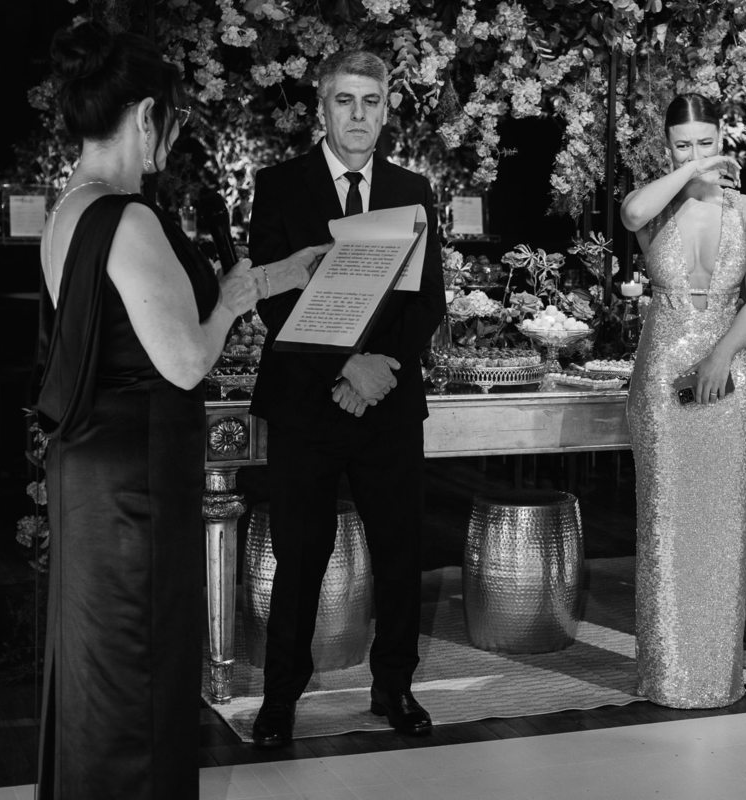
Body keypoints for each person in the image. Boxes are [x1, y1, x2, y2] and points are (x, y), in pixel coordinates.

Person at [35, 21, 325, 798]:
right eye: (171, 119)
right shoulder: (128, 218)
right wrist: (229, 303)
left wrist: (276, 277)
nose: (171, 138)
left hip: (94, 473)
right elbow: (187, 359)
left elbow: (130, 328)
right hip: (139, 483)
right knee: (144, 671)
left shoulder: (69, 211)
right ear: (144, 116)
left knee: (103, 669)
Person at [248, 48, 445, 746]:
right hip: (306, 401)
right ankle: (280, 698)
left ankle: (394, 686)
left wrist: (379, 369)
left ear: (386, 111)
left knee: (399, 552)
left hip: (387, 400)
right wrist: (346, 365)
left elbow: (427, 301)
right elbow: (272, 298)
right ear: (322, 107)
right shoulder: (278, 185)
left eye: (370, 101)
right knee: (300, 555)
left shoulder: (413, 188)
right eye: (344, 100)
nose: (358, 114)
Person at [619, 93, 746, 708]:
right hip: (663, 375)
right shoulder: (656, 206)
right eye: (682, 145)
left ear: (722, 138)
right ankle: (668, 675)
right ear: (668, 148)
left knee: (724, 523)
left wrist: (721, 355)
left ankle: (715, 676)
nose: (697, 154)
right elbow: (631, 212)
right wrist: (689, 172)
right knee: (665, 521)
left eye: (706, 143)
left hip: (731, 372)